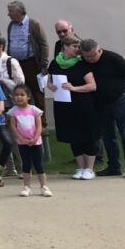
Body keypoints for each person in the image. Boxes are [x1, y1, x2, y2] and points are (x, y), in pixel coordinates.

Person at [82, 39, 125, 178]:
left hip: (120, 99)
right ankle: (113, 166)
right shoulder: (84, 63)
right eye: (86, 56)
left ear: (99, 50)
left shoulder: (114, 58)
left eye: (92, 55)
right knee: (108, 136)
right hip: (100, 103)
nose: (90, 59)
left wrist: (114, 84)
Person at [45, 35, 99, 180]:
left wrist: (74, 88)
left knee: (87, 135)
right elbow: (49, 81)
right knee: (72, 135)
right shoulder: (55, 63)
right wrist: (51, 86)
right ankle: (80, 167)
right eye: (75, 47)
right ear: (65, 47)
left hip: (82, 104)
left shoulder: (82, 64)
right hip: (64, 104)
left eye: (78, 47)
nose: (77, 50)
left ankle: (90, 168)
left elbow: (92, 85)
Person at [7, 85, 52, 197]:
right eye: (16, 95)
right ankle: (27, 187)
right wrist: (21, 138)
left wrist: (36, 137)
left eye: (22, 95)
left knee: (38, 164)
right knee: (26, 165)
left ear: (28, 96)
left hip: (35, 142)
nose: (19, 97)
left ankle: (44, 186)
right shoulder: (13, 112)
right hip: (23, 143)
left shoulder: (34, 110)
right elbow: (13, 127)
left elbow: (39, 125)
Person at [5, 1, 49, 110]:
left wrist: (44, 64)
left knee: (36, 91)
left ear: (18, 13)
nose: (8, 14)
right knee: (20, 90)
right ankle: (24, 115)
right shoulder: (11, 25)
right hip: (16, 63)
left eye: (10, 12)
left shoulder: (33, 24)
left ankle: (41, 121)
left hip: (31, 63)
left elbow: (43, 44)